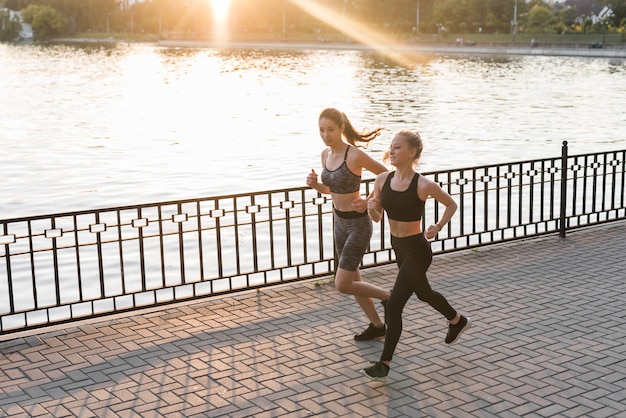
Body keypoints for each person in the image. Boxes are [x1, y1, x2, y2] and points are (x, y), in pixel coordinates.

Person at [361, 129, 472, 380]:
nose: (392, 151)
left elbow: (451, 204)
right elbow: (377, 218)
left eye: (398, 147)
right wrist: (370, 208)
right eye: (391, 146)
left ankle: (384, 364)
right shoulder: (381, 180)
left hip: (417, 250)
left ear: (412, 152)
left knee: (394, 306)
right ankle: (457, 321)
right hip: (398, 248)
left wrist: (437, 226)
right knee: (424, 293)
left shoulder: (423, 184)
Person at [306, 108, 391, 341]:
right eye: (321, 130)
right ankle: (377, 325)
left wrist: (369, 200)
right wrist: (315, 185)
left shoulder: (353, 155)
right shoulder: (325, 155)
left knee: (342, 284)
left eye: (330, 130)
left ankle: (388, 297)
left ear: (341, 128)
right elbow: (332, 189)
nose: (325, 135)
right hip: (339, 223)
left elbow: (385, 175)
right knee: (354, 281)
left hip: (358, 226)